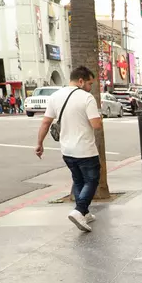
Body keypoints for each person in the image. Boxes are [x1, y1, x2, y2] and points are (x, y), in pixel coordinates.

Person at [35, 66, 104, 232]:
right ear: (80, 81)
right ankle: (79, 211)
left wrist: (39, 143)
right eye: (89, 83)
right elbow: (96, 125)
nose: (90, 87)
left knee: (79, 180)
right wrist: (100, 118)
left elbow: (45, 122)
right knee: (92, 180)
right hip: (85, 150)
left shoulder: (55, 96)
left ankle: (85, 213)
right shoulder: (87, 98)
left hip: (67, 150)